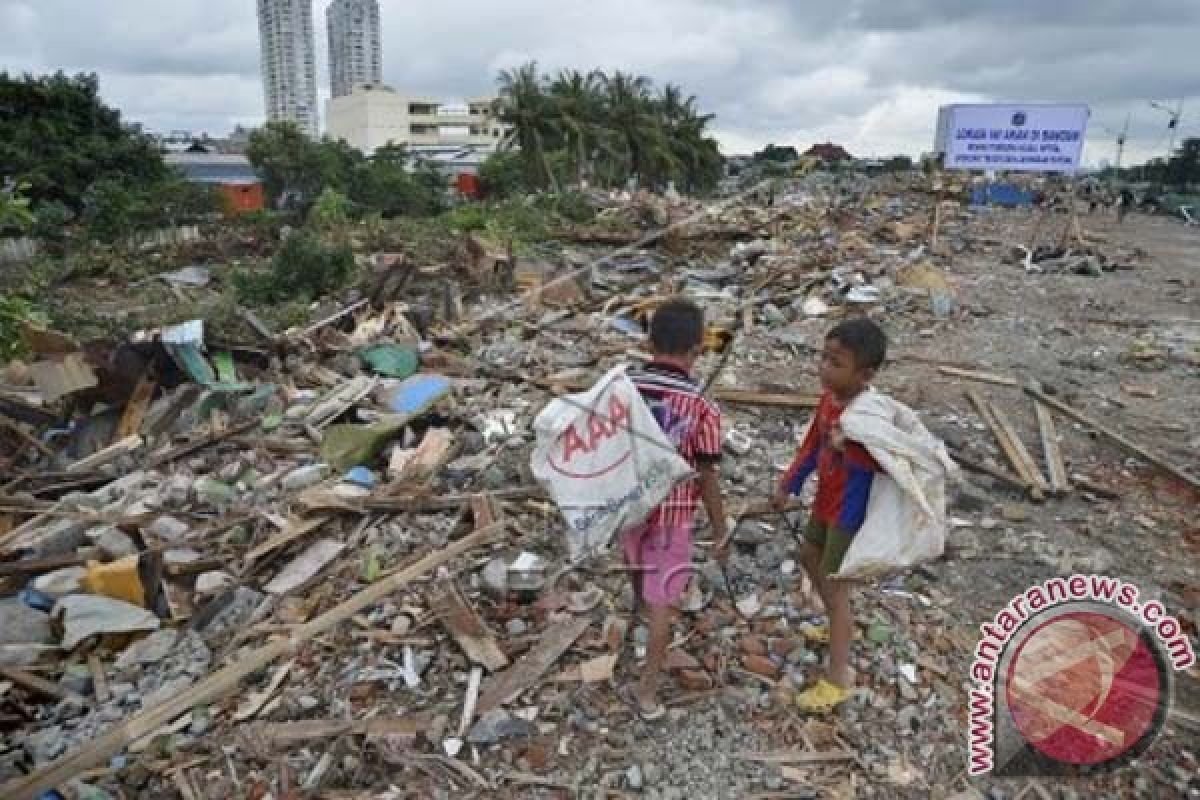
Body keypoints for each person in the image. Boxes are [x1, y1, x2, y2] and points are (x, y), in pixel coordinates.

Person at [771, 317, 888, 713]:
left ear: (865, 374)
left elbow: (885, 463)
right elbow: (809, 447)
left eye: (835, 363)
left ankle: (838, 678)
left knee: (837, 590)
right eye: (823, 358)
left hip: (848, 515)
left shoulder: (868, 417)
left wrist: (849, 446)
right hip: (825, 502)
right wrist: (788, 484)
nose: (824, 368)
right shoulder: (828, 402)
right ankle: (839, 623)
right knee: (808, 557)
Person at [620, 297, 728, 720]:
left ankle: (637, 616)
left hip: (628, 507)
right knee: (665, 599)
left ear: (649, 342)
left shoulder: (626, 387)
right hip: (674, 516)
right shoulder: (701, 405)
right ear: (697, 349)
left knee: (636, 568)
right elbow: (707, 472)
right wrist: (721, 527)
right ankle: (647, 691)